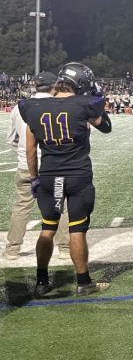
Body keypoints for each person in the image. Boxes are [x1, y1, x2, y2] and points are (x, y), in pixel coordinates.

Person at [22, 63, 112, 297]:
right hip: (77, 175)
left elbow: (30, 149)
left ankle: (42, 281)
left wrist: (34, 178)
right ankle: (83, 282)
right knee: (77, 230)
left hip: (50, 176)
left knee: (47, 228)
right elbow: (106, 127)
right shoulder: (85, 105)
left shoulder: (33, 107)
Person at [5, 71, 70, 261]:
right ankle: (64, 247)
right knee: (60, 206)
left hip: (26, 164)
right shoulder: (60, 105)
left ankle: (12, 249)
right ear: (55, 85)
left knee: (21, 207)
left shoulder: (20, 107)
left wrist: (23, 155)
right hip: (53, 165)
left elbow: (12, 139)